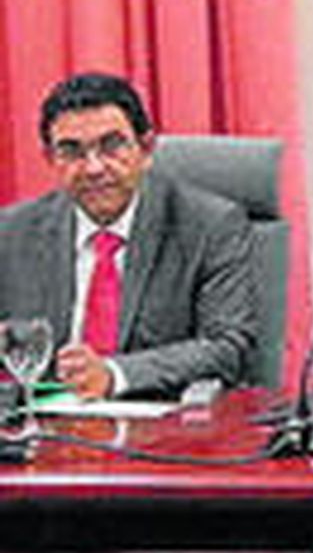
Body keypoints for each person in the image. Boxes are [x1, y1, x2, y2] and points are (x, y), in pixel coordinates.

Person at [0, 71, 258, 398]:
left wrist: (114, 374)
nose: (93, 168)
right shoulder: (11, 232)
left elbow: (229, 348)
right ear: (51, 159)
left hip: (160, 428)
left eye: (111, 146)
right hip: (44, 430)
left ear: (146, 148)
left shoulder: (209, 226)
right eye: (72, 151)